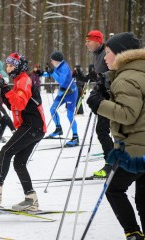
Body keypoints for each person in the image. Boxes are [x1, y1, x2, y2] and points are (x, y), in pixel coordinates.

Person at [87, 32, 145, 240]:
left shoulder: (127, 78)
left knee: (113, 189)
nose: (105, 57)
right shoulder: (138, 72)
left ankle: (132, 232)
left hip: (136, 148)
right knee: (143, 198)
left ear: (121, 54)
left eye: (109, 52)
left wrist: (98, 103)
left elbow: (128, 115)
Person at [0, 52, 46, 211]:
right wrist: (2, 88)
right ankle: (31, 198)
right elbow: (12, 103)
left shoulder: (24, 80)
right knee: (19, 162)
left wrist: (5, 88)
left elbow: (19, 104)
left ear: (20, 67)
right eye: (7, 65)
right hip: (31, 127)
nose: (8, 68)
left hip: (33, 126)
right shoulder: (19, 80)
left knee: (5, 152)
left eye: (12, 65)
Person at [85, 30, 114, 178]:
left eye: (89, 40)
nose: (86, 43)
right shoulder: (96, 54)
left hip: (110, 98)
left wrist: (101, 78)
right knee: (103, 131)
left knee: (103, 131)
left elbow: (115, 71)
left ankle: (111, 164)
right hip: (102, 96)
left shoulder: (107, 52)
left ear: (97, 40)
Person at [45, 51, 79, 147]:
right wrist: (41, 73)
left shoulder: (64, 67)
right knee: (52, 109)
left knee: (69, 114)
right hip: (63, 92)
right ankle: (58, 129)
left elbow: (61, 80)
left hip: (71, 93)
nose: (51, 61)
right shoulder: (58, 66)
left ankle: (76, 137)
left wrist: (52, 73)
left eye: (52, 60)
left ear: (56, 60)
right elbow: (52, 74)